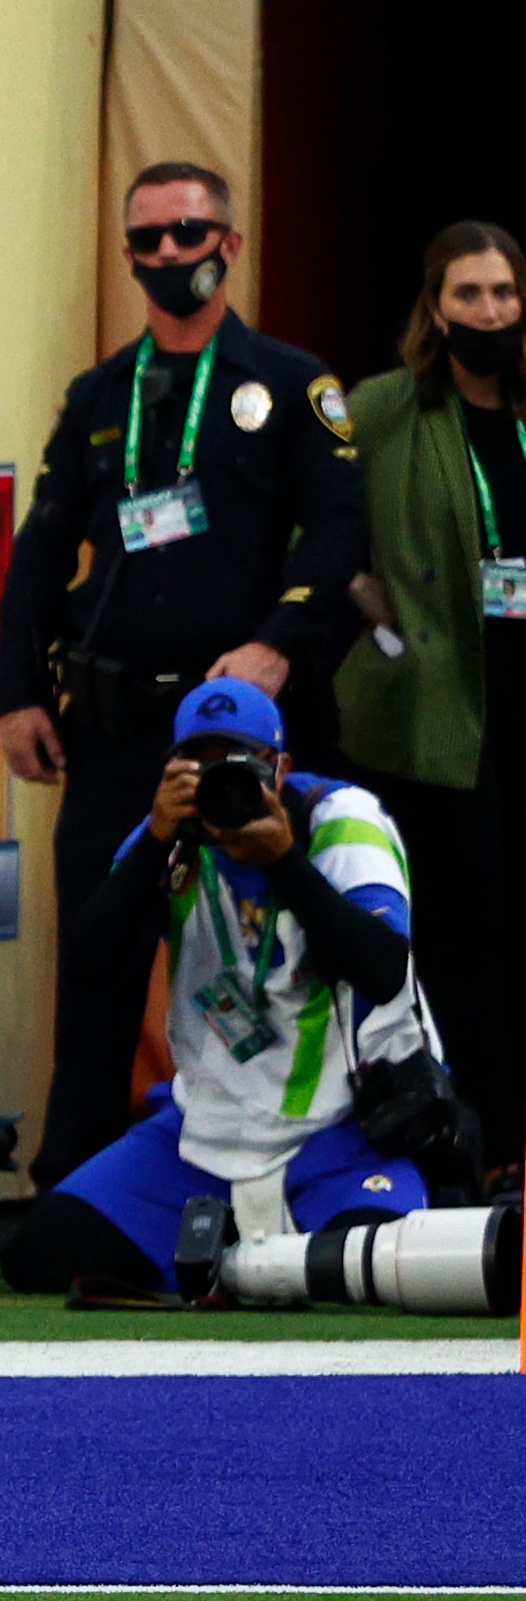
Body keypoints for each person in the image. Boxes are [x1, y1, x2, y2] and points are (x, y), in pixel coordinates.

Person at [0, 161, 366, 1188]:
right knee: (97, 955)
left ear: (228, 244)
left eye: (187, 234)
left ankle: (318, 1164)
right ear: (127, 256)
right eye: (147, 240)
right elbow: (40, 552)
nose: (168, 254)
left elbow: (339, 530)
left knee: (290, 939)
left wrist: (277, 643)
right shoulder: (98, 394)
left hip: (249, 724)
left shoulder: (291, 383)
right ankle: (73, 1185)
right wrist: (16, 694)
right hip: (116, 725)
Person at [0, 680, 433, 1297]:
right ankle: (245, 1259)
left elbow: (384, 971)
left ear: (280, 767)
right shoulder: (168, 839)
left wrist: (284, 862)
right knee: (39, 1255)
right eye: (196, 765)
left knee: (368, 1268)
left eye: (237, 765)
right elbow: (89, 971)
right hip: (207, 1132)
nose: (218, 784)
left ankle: (226, 1260)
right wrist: (155, 843)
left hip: (340, 1129)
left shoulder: (341, 822)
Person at [335, 221, 526, 1191]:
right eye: (467, 295)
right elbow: (315, 516)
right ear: (434, 307)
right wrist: (370, 608)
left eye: (503, 293)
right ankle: (480, 1151)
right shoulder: (384, 408)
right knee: (464, 937)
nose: (487, 313)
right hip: (441, 712)